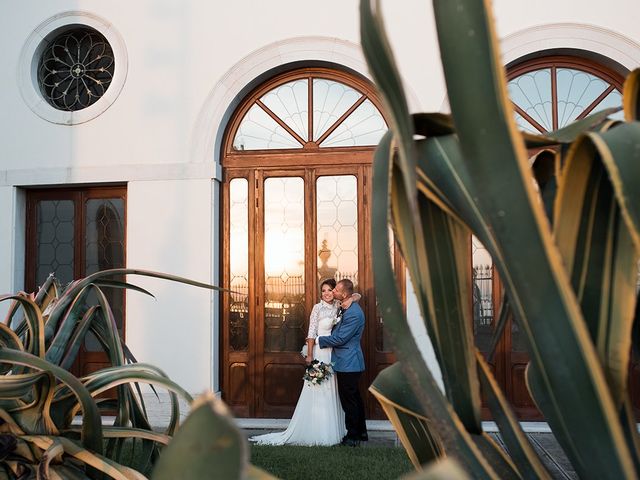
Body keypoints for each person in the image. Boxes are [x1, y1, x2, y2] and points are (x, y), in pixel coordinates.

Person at [249, 279, 359, 446]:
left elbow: (356, 296)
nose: (327, 293)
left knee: (332, 390)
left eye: (330, 290)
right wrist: (309, 355)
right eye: (324, 291)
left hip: (334, 354)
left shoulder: (338, 306)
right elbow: (311, 333)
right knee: (318, 388)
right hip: (320, 351)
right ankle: (317, 430)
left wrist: (352, 298)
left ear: (336, 292)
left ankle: (334, 430)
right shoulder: (317, 308)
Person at [318, 278, 368, 447]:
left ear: (344, 294)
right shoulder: (346, 306)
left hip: (349, 362)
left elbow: (340, 338)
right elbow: (355, 296)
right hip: (347, 362)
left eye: (336, 290)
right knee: (354, 399)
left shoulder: (354, 313)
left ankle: (352, 437)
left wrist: (318, 340)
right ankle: (360, 433)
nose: (333, 293)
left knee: (349, 401)